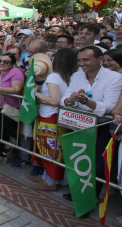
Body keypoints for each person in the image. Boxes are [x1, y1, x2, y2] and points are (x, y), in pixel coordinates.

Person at [62, 46, 122, 211]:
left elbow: (110, 106)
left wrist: (87, 102)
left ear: (100, 59)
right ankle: (79, 192)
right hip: (79, 124)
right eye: (80, 60)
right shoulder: (76, 75)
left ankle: (89, 201)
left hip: (102, 127)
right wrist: (71, 100)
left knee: (97, 165)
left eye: (86, 60)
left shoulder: (114, 78)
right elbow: (65, 98)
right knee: (78, 160)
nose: (82, 64)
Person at [29, 49, 78, 191]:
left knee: (50, 150)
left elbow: (54, 100)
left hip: (50, 117)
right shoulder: (69, 77)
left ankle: (50, 181)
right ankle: (46, 176)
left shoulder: (54, 77)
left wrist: (37, 93)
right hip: (56, 117)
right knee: (53, 149)